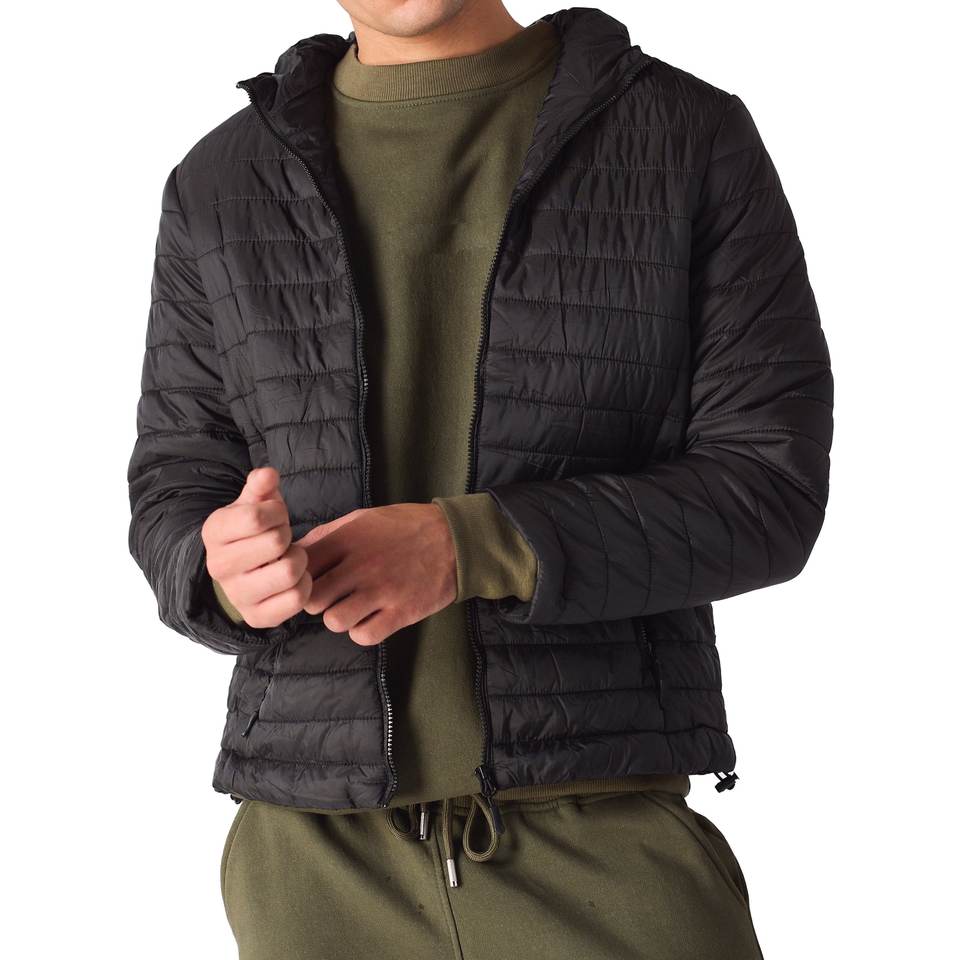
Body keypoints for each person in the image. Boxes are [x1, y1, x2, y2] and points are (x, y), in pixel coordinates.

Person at [127, 3, 832, 957]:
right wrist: (216, 570)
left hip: (605, 841)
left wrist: (474, 546)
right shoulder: (221, 179)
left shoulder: (684, 137)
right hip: (310, 864)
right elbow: (176, 480)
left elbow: (767, 489)